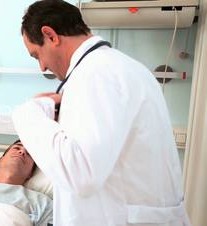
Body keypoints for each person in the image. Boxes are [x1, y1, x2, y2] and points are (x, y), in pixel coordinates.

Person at [12, 1, 191, 226]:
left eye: (37, 55)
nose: (42, 67)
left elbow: (81, 174)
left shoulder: (95, 75)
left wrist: (29, 113)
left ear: (50, 35)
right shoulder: (121, 67)